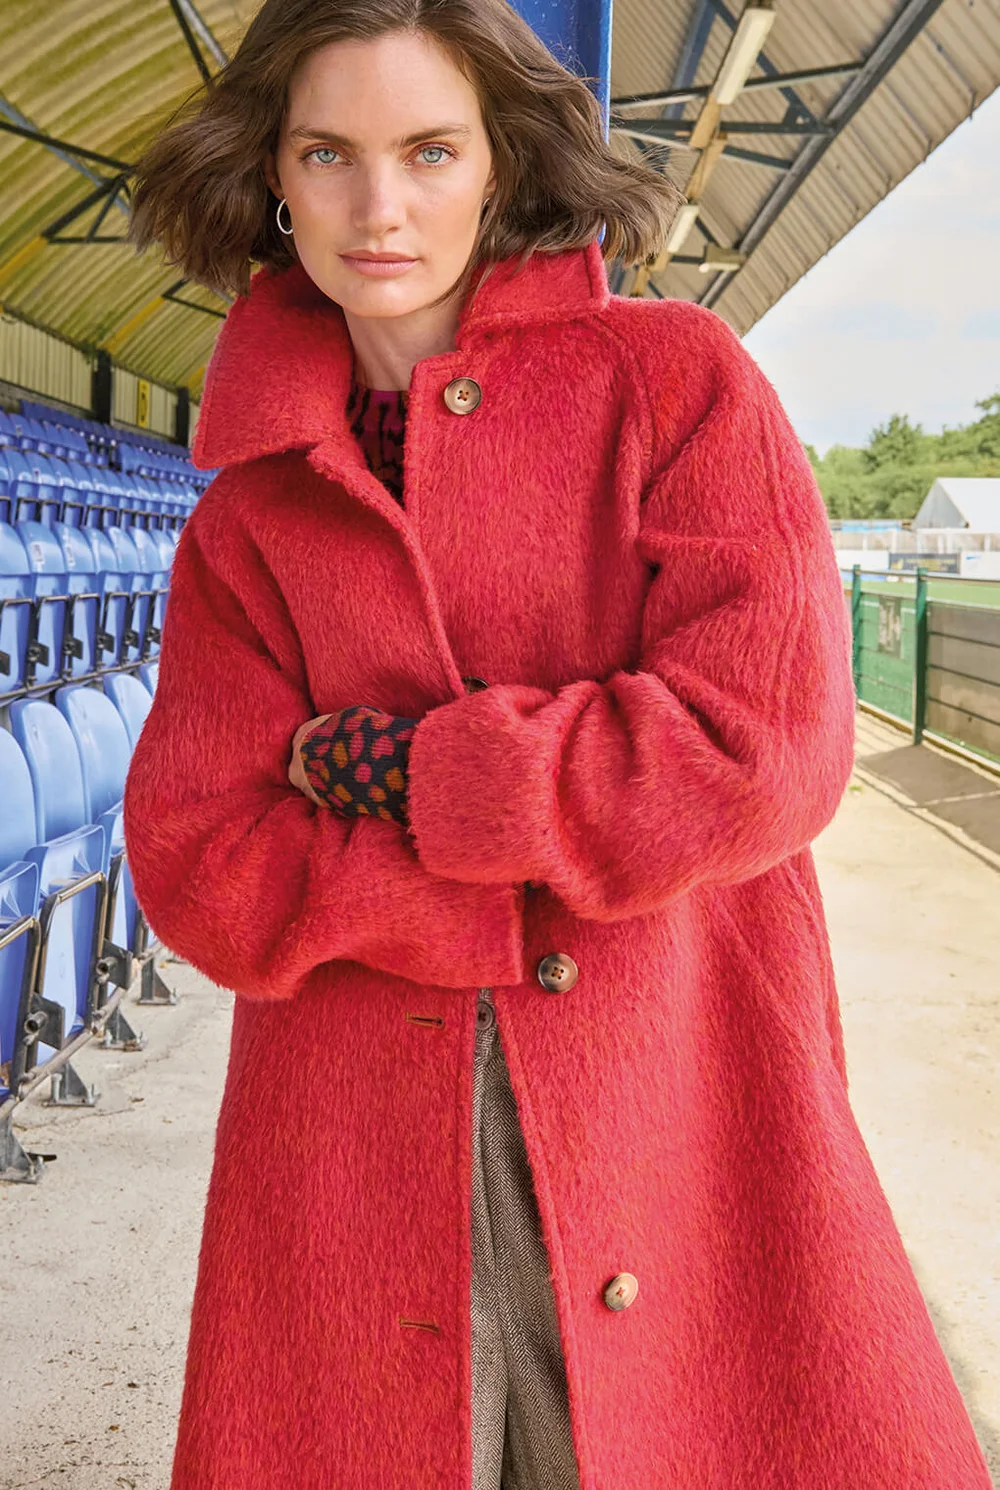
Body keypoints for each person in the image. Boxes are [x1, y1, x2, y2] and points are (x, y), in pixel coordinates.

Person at [122, 2, 993, 1488]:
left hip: (679, 1097)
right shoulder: (245, 514)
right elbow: (201, 859)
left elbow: (766, 745)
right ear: (274, 174)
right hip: (346, 1148)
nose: (378, 206)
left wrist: (391, 774)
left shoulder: (679, 384)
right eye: (328, 152)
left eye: (428, 150)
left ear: (500, 163)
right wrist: (535, 845)